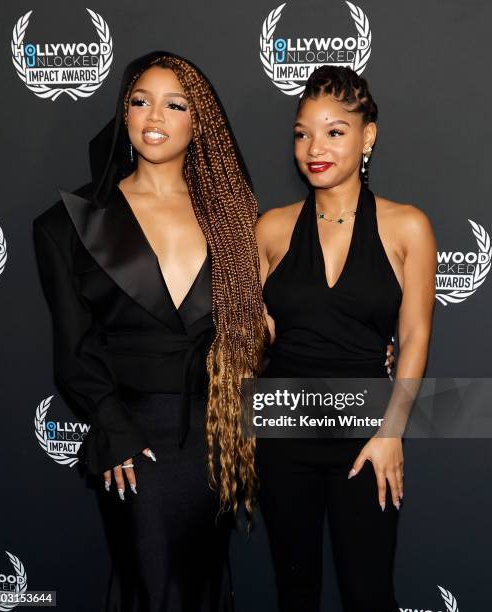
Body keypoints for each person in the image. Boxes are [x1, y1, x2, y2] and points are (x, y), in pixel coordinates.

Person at [33, 51, 267, 612]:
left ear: (199, 120)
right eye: (139, 101)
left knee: (206, 589)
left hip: (217, 435)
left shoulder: (234, 215)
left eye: (174, 103)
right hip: (133, 438)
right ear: (123, 112)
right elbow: (74, 349)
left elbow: (265, 323)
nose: (153, 116)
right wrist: (112, 428)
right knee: (152, 587)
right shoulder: (69, 223)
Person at [254, 66, 436, 611]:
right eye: (302, 132)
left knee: (369, 592)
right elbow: (256, 339)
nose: (315, 146)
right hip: (283, 428)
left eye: (334, 131)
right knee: (295, 591)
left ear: (367, 137)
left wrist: (391, 432)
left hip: (368, 433)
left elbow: (415, 333)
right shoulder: (271, 228)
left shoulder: (408, 226)